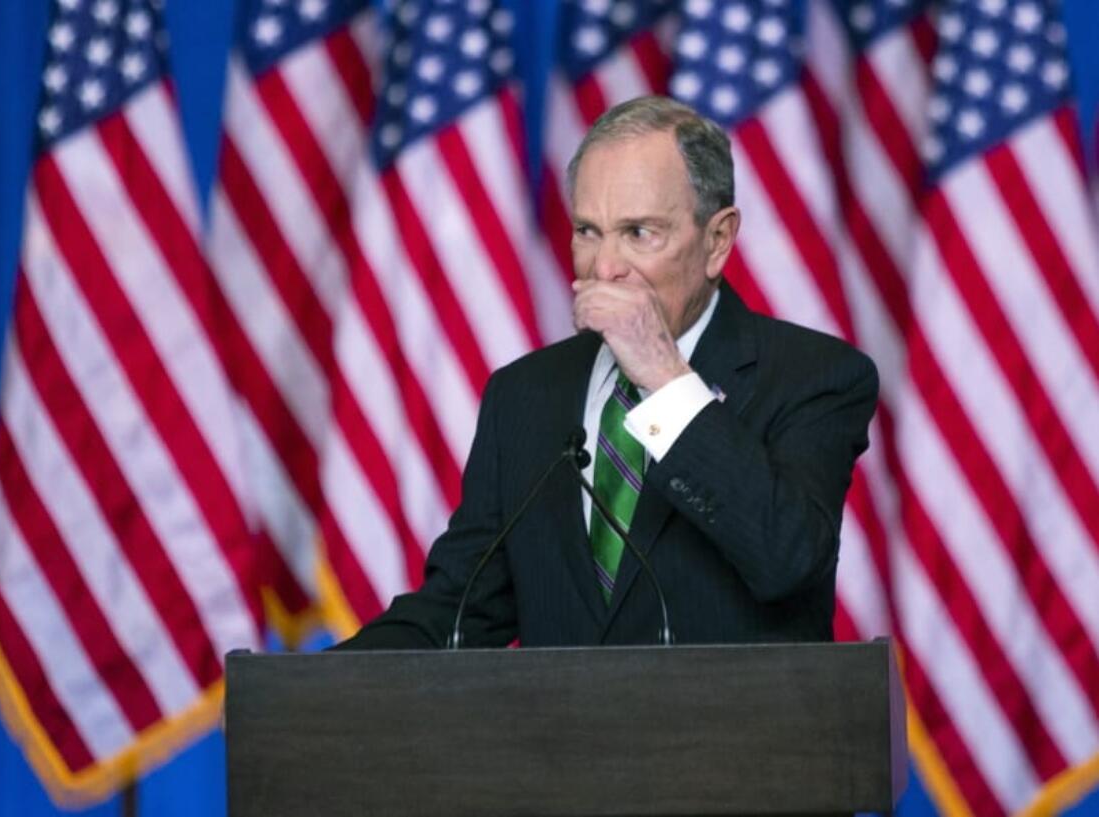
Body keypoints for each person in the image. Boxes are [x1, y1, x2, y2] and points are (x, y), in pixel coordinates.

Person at [338, 95, 878, 650]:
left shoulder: (814, 377)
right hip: (562, 735)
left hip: (736, 735)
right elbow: (462, 608)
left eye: (639, 233)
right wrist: (313, 686)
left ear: (717, 241)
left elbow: (785, 557)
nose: (604, 267)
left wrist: (664, 379)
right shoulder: (524, 395)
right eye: (588, 232)